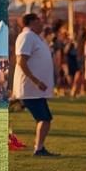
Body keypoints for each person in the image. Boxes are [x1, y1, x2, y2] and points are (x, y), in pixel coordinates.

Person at [14, 13, 57, 157]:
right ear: (32, 22)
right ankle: (39, 149)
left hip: (35, 90)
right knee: (45, 118)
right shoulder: (26, 36)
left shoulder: (34, 37)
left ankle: (39, 148)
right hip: (30, 89)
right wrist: (36, 81)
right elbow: (21, 61)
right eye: (39, 21)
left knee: (44, 118)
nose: (42, 23)